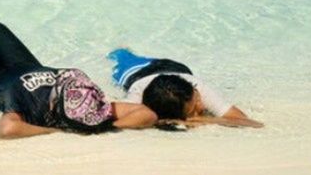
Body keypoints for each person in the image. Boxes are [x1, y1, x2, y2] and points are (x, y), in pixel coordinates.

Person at [0, 21, 157, 139]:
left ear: (54, 106)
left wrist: (54, 131)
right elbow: (146, 113)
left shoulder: (34, 107)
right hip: (28, 66)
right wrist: (109, 126)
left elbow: (6, 129)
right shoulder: (94, 107)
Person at [108, 48, 263, 128]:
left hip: (175, 68)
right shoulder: (136, 98)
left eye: (197, 100)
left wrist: (203, 119)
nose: (201, 105)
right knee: (120, 55)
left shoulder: (197, 88)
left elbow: (251, 123)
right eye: (194, 109)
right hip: (135, 73)